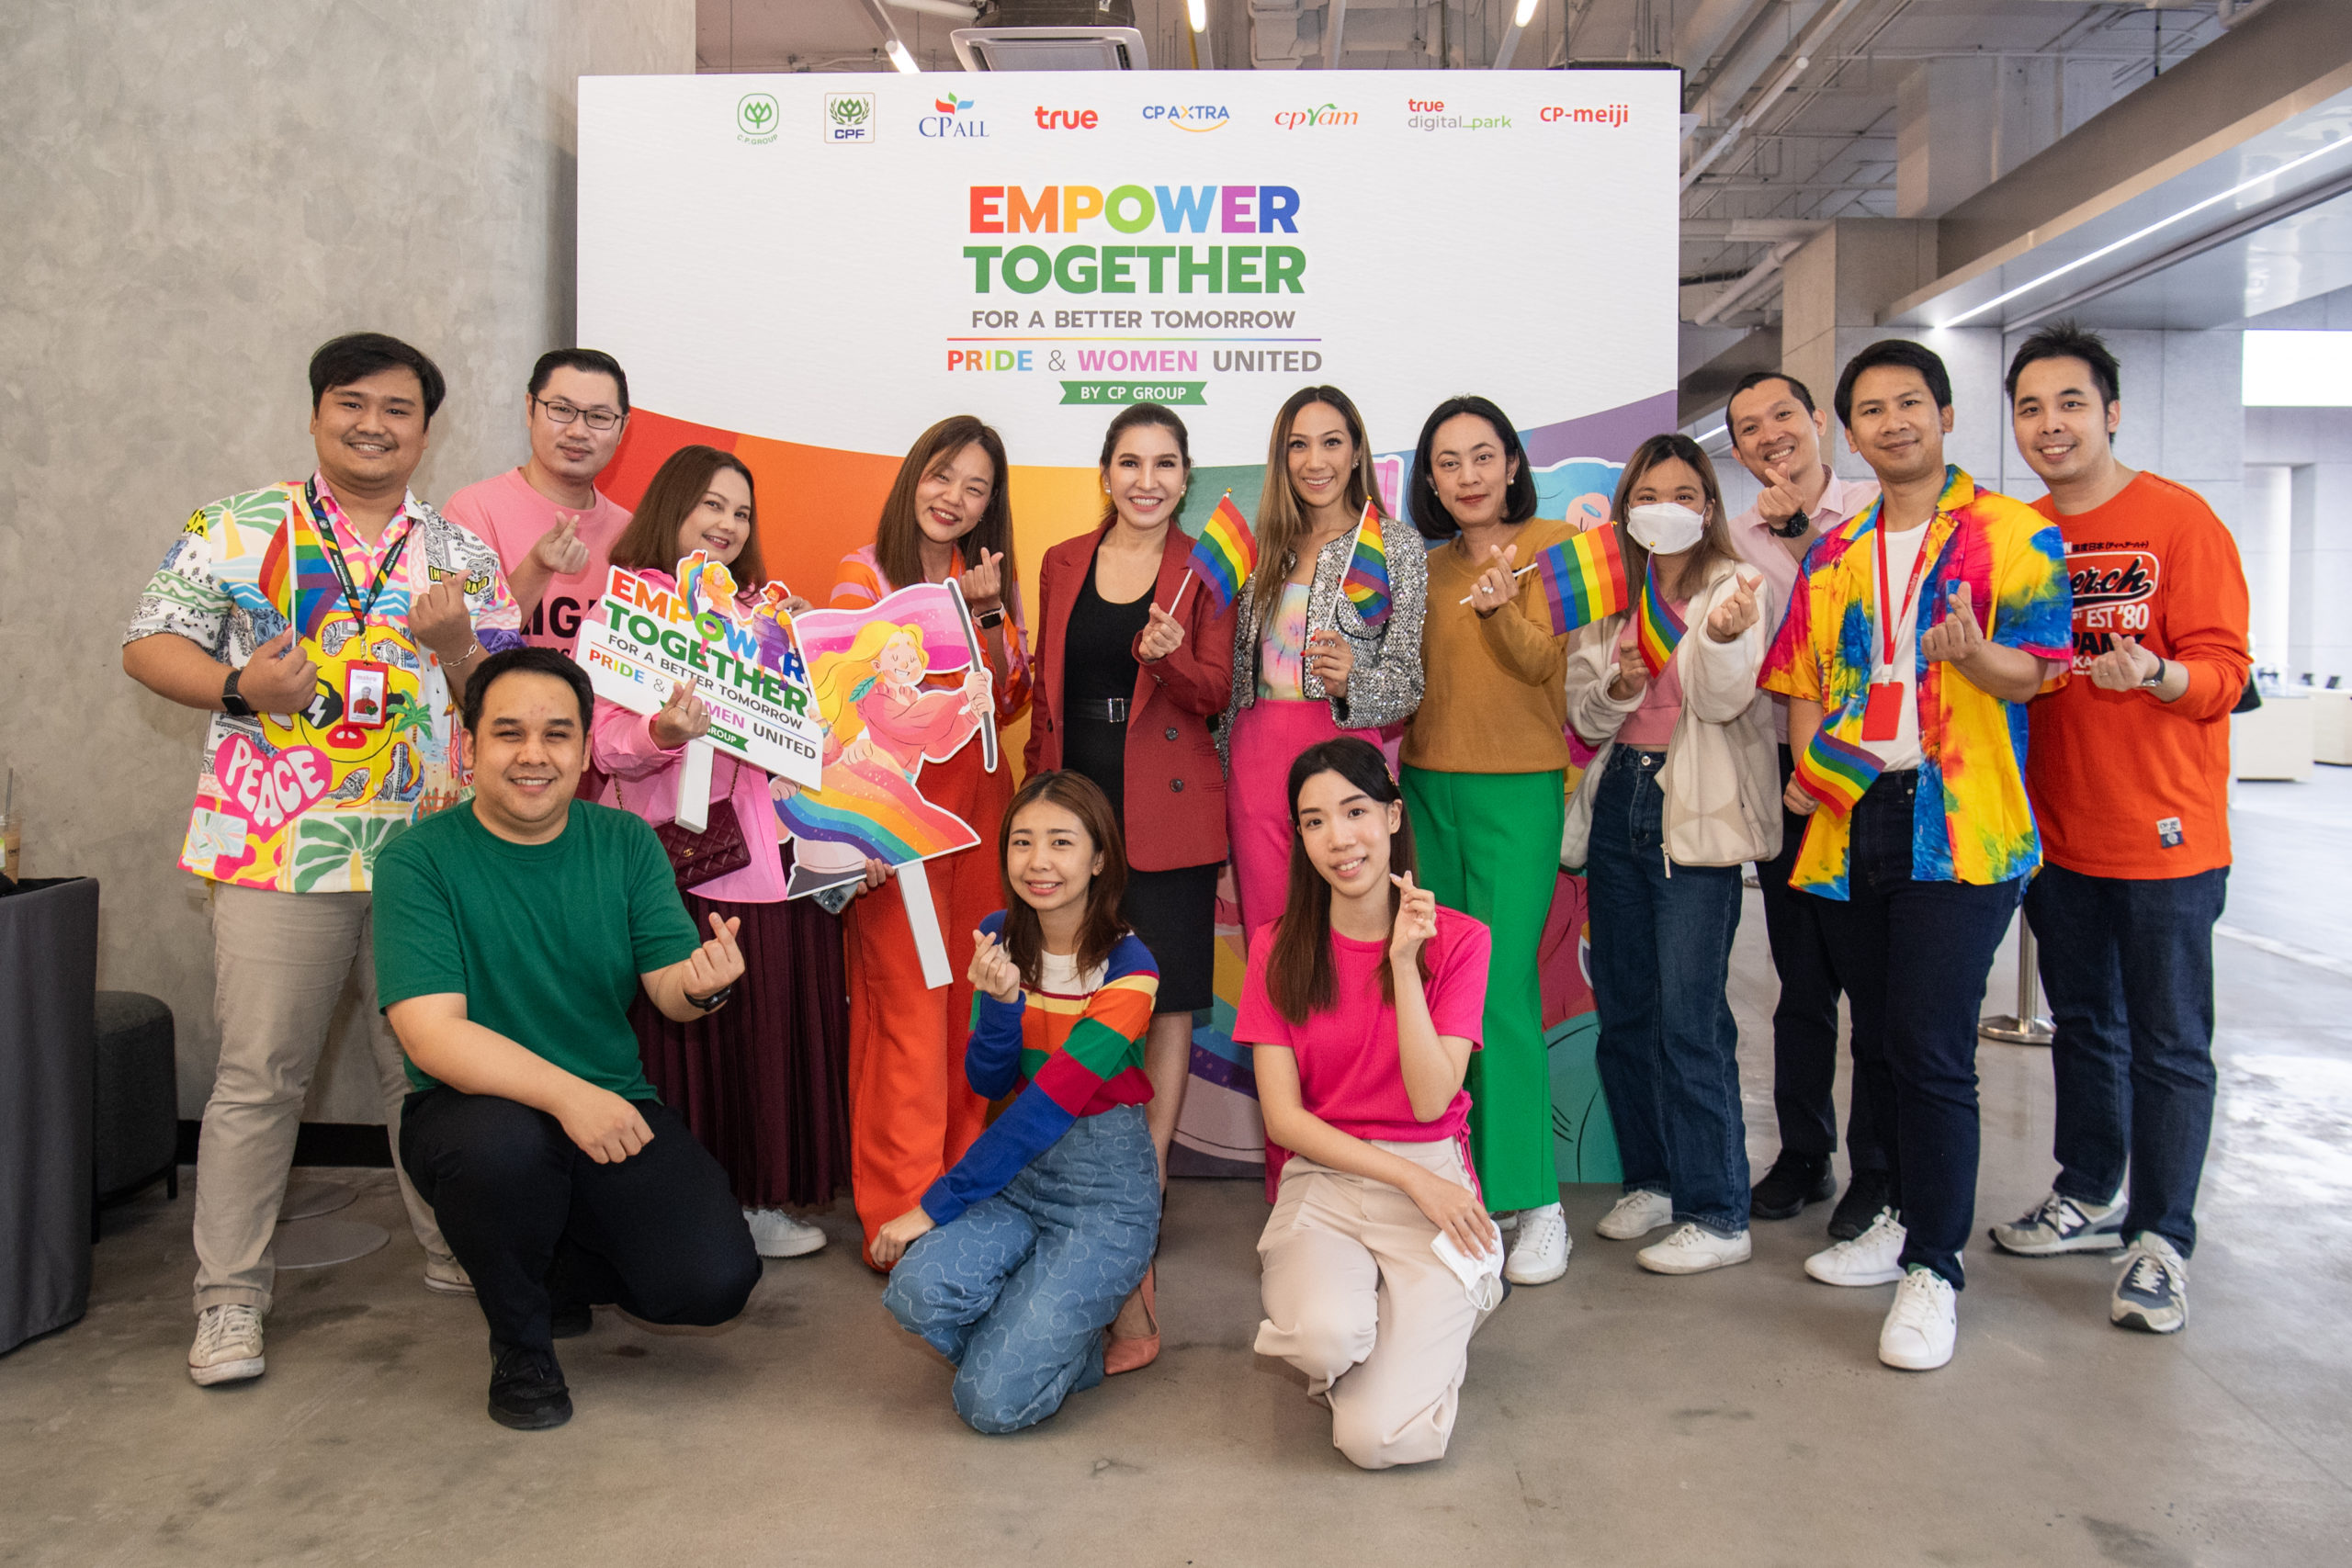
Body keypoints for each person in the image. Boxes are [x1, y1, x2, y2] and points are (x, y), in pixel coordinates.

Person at [121, 333, 524, 1388]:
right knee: (261, 1074)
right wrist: (238, 689)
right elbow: (148, 642)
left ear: (425, 431)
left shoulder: (462, 553)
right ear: (316, 413)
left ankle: (453, 1246)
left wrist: (457, 649)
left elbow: (509, 701)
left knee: (427, 1067)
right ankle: (228, 1299)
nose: (372, 425)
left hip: (428, 853)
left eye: (398, 409)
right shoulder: (237, 526)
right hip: (277, 843)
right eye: (352, 403)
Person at [1762, 339, 2072, 1372]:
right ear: (1850, 435)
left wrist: (1976, 655)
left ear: (1944, 414)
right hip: (1852, 817)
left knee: (1933, 1045)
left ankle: (1935, 1267)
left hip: (1962, 824)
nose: (1892, 422)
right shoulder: (1836, 551)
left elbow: (2038, 672)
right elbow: (1802, 677)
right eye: (1872, 410)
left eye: (1909, 403)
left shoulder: (2012, 533)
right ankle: (1892, 1213)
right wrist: (1811, 770)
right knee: (1884, 1038)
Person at [376, 648, 762, 1430]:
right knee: (504, 1151)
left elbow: (668, 986)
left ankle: (548, 1269)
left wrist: (704, 982)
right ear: (470, 745)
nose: (534, 753)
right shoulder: (418, 860)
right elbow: (432, 1035)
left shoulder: (625, 842)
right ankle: (521, 1344)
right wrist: (568, 1096)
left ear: (586, 751)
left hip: (609, 1104)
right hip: (474, 1113)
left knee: (713, 1279)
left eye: (556, 734)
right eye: (508, 732)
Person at [1992, 322, 2250, 1336]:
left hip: (2167, 839)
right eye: (2030, 408)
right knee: (2085, 1027)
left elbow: (2226, 672)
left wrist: (2159, 673)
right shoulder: (2019, 535)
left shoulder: (2179, 522)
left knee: (2170, 1043)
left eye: (2069, 404)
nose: (2050, 424)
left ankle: (2161, 1238)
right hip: (2055, 836)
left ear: (2110, 412)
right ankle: (2089, 1190)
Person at [591, 445, 845, 1261]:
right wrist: (662, 731)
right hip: (674, 868)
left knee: (760, 1041)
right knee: (685, 1046)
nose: (728, 524)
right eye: (712, 504)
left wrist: (801, 653)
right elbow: (602, 745)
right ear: (672, 505)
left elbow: (811, 745)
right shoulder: (630, 609)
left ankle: (757, 1199)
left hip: (770, 862)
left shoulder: (761, 616)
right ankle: (683, 1205)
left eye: (741, 512)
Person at [1025, 403, 1237, 1369]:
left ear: (1185, 477)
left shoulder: (1205, 568)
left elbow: (1216, 691)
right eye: (1129, 462)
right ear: (1105, 473)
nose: (1146, 480)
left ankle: (1139, 1195)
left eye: (1164, 464)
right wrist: (1036, 804)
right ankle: (1075, 1176)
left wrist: (1171, 659)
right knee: (1073, 1000)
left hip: (1172, 811)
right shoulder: (1062, 560)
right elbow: (1047, 690)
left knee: (1166, 1006)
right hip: (1077, 805)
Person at [1239, 739, 1499, 1471]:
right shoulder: (1277, 947)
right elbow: (1285, 1121)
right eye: (1314, 820)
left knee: (1379, 1440)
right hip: (1327, 1177)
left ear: (1392, 816)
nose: (1338, 838)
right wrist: (1407, 1177)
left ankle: (1458, 1300)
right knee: (1322, 1337)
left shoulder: (1461, 941)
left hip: (1433, 1176)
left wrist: (1404, 964)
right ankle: (1388, 1333)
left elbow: (1431, 1098)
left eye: (1355, 811)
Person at [875, 772, 1161, 1433]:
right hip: (1019, 1181)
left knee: (991, 1403)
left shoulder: (1132, 967)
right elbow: (989, 1081)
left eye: (1061, 842)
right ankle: (1055, 1317)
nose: (1038, 861)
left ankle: (1082, 1313)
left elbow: (1046, 1107)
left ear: (1099, 858)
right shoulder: (997, 934)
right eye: (1022, 841)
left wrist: (934, 1205)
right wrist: (1003, 1005)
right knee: (914, 1292)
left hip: (1103, 1195)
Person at [1564, 435, 1778, 1276]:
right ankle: (1652, 1179)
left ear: (1708, 506)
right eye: (1648, 494)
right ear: (1627, 509)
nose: (1666, 508)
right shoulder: (1611, 595)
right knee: (1626, 1007)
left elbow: (1724, 699)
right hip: (1621, 799)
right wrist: (1619, 682)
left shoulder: (1735, 586)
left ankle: (1718, 1209)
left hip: (1695, 807)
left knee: (1692, 1016)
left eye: (1684, 493)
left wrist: (1719, 637)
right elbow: (1586, 719)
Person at [831, 416, 1033, 1268]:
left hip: (981, 820)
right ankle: (897, 1211)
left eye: (975, 487)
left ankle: (957, 1194)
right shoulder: (862, 572)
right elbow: (840, 690)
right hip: (895, 821)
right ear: (915, 474)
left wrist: (987, 615)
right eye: (943, 475)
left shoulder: (985, 580)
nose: (954, 498)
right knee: (907, 1013)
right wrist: (853, 833)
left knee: (973, 1005)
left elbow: (1012, 697)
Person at [1401, 395, 1574, 1285]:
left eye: (1481, 456)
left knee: (1500, 994)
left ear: (1511, 463)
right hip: (1428, 788)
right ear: (1429, 481)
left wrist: (1503, 608)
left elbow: (1547, 665)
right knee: (1447, 996)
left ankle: (1536, 1200)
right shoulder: (1421, 568)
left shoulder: (1553, 546)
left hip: (1519, 790)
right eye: (1447, 462)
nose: (1467, 476)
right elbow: (1404, 683)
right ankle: (1471, 1189)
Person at [1722, 369, 1890, 1237]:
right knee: (1801, 980)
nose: (1770, 435)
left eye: (1783, 414)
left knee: (1881, 985)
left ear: (1820, 420)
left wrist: (1800, 535)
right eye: (1749, 428)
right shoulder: (1735, 538)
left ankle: (1881, 1169)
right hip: (1787, 775)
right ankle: (1804, 1150)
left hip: (1879, 775)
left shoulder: (1875, 509)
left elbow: (1870, 605)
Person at [1219, 386, 1426, 949]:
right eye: (1298, 445)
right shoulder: (1261, 550)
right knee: (1269, 933)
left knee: (1351, 934)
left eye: (1331, 442)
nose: (1315, 461)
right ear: (1282, 458)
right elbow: (1232, 680)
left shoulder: (1394, 546)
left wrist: (1352, 681)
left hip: (1344, 755)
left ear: (1357, 452)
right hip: (1255, 756)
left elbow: (1407, 684)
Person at [443, 348, 634, 654]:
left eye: (599, 417)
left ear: (622, 427)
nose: (578, 431)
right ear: (530, 409)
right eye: (562, 410)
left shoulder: (632, 533)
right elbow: (461, 647)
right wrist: (538, 567)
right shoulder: (473, 510)